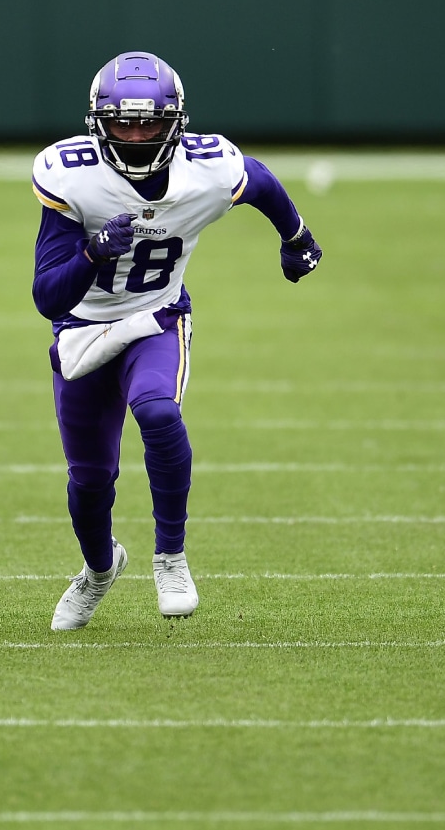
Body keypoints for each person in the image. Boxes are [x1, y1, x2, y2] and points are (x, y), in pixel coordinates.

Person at [31, 52, 322, 631]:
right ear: (98, 123)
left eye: (150, 122)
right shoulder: (71, 176)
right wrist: (91, 254)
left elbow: (259, 181)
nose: (136, 135)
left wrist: (296, 235)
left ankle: (171, 557)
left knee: (158, 412)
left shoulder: (208, 168)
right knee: (90, 480)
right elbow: (47, 298)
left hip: (156, 318)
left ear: (176, 122)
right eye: (122, 122)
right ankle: (99, 568)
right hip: (83, 330)